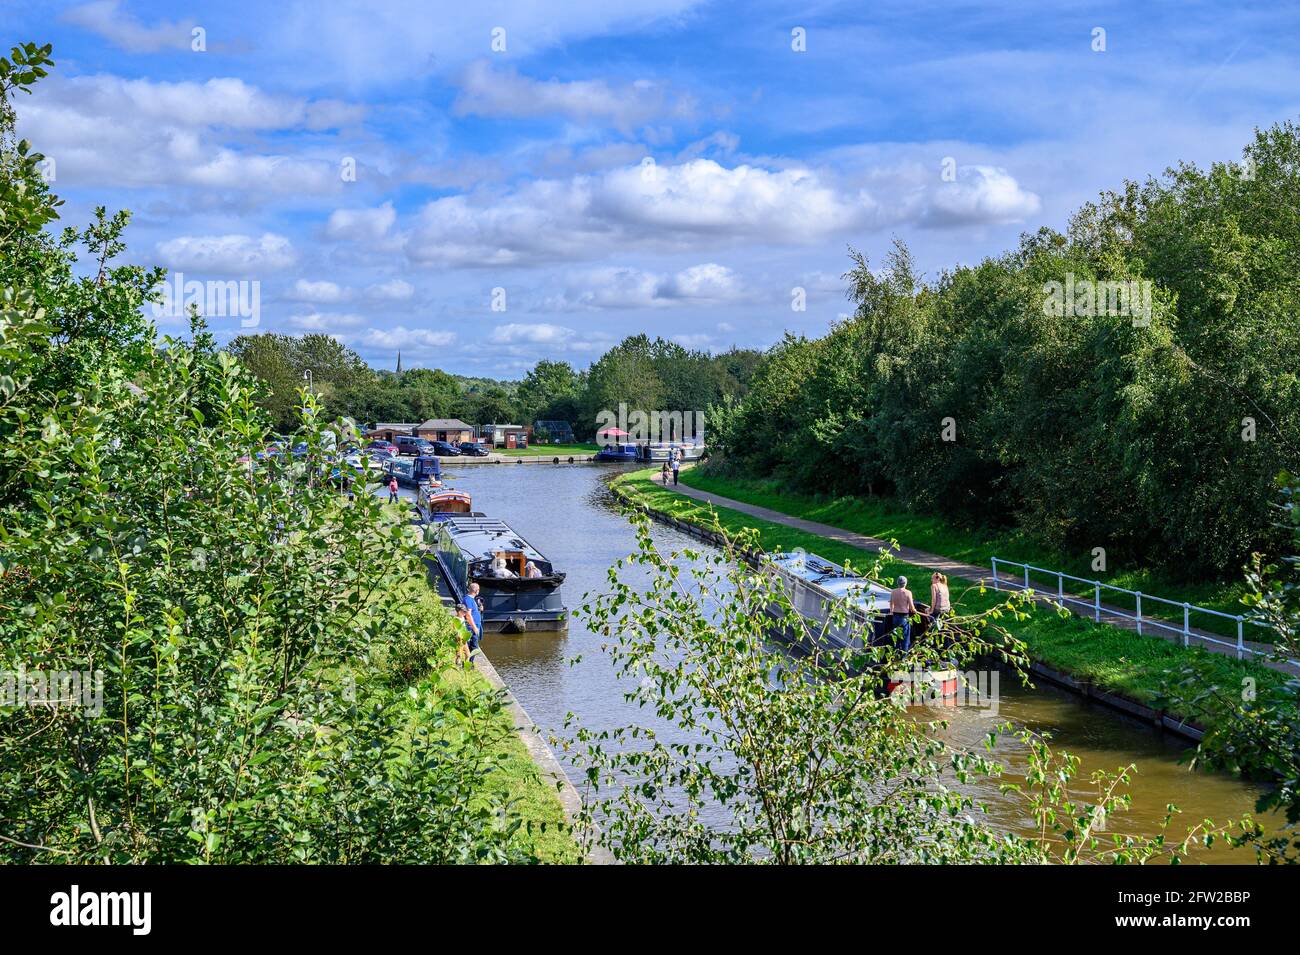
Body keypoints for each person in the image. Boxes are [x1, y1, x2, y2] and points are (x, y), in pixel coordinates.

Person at [889, 575, 917, 651]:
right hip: (904, 617)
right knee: (905, 638)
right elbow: (912, 607)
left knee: (896, 637)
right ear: (906, 583)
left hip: (895, 616)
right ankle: (903, 657)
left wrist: (891, 611)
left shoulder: (893, 592)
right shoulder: (908, 593)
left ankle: (896, 654)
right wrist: (914, 610)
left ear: (897, 583)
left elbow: (891, 603)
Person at [455, 602, 477, 666]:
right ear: (459, 611)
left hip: (464, 640)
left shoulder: (462, 618)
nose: (465, 613)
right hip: (459, 639)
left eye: (465, 612)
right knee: (459, 654)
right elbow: (456, 630)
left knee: (468, 654)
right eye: (463, 612)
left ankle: (464, 666)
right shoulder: (456, 619)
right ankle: (458, 666)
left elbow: (464, 628)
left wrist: (467, 637)